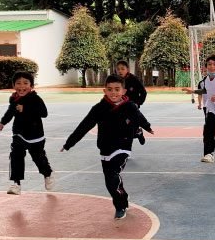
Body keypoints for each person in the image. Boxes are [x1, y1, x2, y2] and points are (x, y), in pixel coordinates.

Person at [61, 75, 154, 220]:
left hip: (123, 146)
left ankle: (120, 206)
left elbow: (138, 117)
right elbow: (84, 126)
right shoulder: (99, 109)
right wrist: (69, 143)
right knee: (110, 181)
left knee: (112, 176)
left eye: (117, 89)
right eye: (110, 89)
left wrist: (147, 127)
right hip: (105, 147)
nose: (113, 92)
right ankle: (122, 196)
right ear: (104, 90)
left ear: (123, 91)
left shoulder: (130, 106)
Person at [0, 71, 54, 195]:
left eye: (25, 83)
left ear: (31, 86)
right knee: (16, 155)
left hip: (35, 135)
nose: (22, 86)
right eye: (18, 83)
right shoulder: (14, 98)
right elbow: (10, 112)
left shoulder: (36, 99)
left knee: (38, 158)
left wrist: (26, 109)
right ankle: (16, 184)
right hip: (19, 133)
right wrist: (3, 122)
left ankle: (48, 174)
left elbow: (44, 113)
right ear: (14, 85)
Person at [182, 54, 215, 163]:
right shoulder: (206, 79)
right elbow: (204, 91)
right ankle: (208, 154)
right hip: (211, 109)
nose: (212, 66)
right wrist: (193, 91)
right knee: (208, 131)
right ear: (206, 66)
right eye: (209, 64)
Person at [116, 60, 148, 145]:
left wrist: (138, 103)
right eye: (118, 69)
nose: (120, 71)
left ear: (127, 69)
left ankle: (138, 132)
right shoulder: (115, 80)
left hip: (132, 108)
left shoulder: (133, 79)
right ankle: (124, 150)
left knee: (129, 129)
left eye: (122, 69)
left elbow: (143, 92)